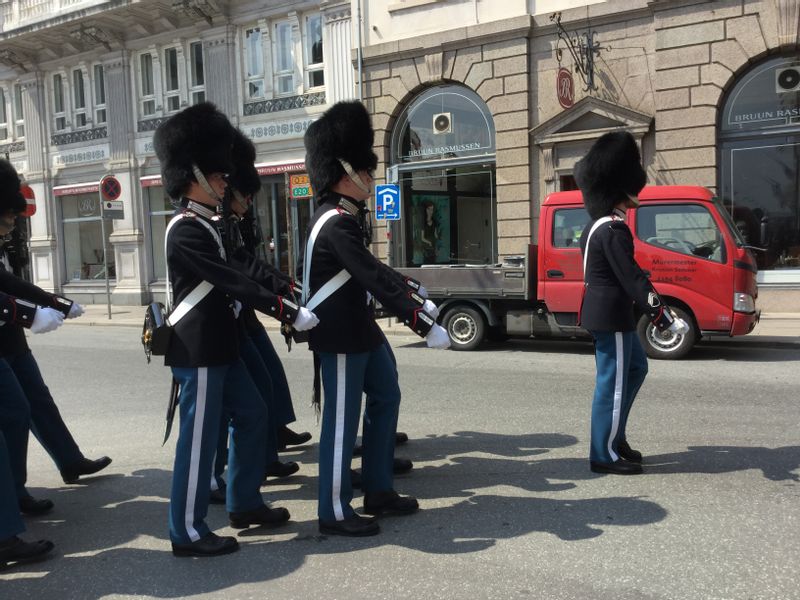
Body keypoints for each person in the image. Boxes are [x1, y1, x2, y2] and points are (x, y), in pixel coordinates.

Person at [153, 102, 319, 557]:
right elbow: (231, 281)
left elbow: (246, 266)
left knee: (254, 414)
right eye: (219, 176)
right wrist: (285, 310)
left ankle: (244, 502)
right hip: (199, 350)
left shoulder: (213, 224)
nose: (226, 182)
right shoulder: (185, 229)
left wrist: (288, 291)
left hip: (222, 346)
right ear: (195, 175)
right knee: (199, 443)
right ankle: (185, 530)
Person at [302, 100, 450, 537]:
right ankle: (332, 511)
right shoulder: (334, 222)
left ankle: (378, 488)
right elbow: (367, 273)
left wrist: (411, 289)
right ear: (345, 172)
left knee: (386, 396)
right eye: (365, 172)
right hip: (342, 334)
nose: (371, 177)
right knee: (341, 423)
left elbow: (372, 270)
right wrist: (420, 320)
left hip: (359, 328)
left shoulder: (345, 219)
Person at [575, 131, 690, 476]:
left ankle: (615, 437)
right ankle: (603, 454)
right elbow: (632, 278)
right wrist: (663, 316)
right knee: (613, 386)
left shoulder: (600, 226)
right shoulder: (612, 229)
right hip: (612, 318)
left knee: (636, 370)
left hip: (609, 314)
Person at [0, 159, 111, 488]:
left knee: (38, 400)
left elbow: (11, 282)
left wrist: (55, 302)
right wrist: (31, 313)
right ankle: (15, 491)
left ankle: (69, 460)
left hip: (11, 340)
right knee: (15, 414)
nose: (11, 222)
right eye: (8, 215)